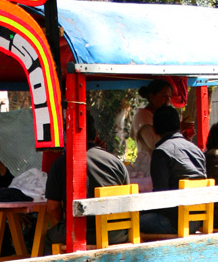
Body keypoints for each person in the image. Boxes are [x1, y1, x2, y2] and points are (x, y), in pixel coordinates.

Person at [45, 114, 129, 247]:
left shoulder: (62, 163)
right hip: (116, 234)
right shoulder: (116, 163)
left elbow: (53, 208)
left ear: (68, 136)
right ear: (95, 134)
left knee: (49, 237)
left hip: (82, 232)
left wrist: (64, 222)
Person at [139, 104, 207, 234]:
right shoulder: (196, 150)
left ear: (154, 130)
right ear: (179, 127)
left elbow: (161, 195)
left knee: (130, 223)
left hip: (173, 222)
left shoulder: (161, 152)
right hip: (197, 220)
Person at [128, 78, 173, 190]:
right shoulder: (143, 115)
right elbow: (155, 143)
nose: (167, 100)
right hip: (149, 170)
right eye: (163, 96)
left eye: (169, 96)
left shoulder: (162, 117)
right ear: (152, 97)